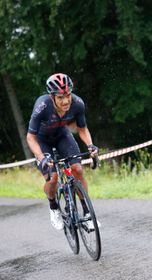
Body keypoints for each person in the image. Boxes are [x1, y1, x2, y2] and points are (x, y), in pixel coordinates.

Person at [26, 73, 99, 230]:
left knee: (77, 170)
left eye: (68, 95)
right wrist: (41, 158)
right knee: (52, 178)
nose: (66, 101)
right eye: (60, 97)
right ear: (52, 97)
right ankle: (53, 207)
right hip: (42, 141)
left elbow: (82, 129)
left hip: (62, 136)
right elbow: (30, 138)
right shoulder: (42, 106)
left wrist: (91, 146)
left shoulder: (78, 103)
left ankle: (87, 213)